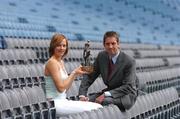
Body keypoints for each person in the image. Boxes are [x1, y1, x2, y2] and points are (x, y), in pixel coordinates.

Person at [44, 33, 103, 117]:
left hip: (63, 101)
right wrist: (74, 73)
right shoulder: (52, 62)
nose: (62, 48)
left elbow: (64, 90)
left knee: (98, 107)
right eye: (59, 45)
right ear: (53, 46)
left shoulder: (60, 62)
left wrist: (75, 74)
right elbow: (60, 88)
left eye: (64, 46)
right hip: (55, 104)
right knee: (96, 108)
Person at [79, 31, 138, 112]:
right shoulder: (101, 56)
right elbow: (90, 76)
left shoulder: (129, 61)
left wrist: (105, 95)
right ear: (104, 45)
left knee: (104, 101)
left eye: (113, 43)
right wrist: (82, 94)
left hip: (125, 96)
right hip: (109, 93)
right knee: (87, 101)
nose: (110, 46)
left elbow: (128, 87)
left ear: (118, 44)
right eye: (107, 44)